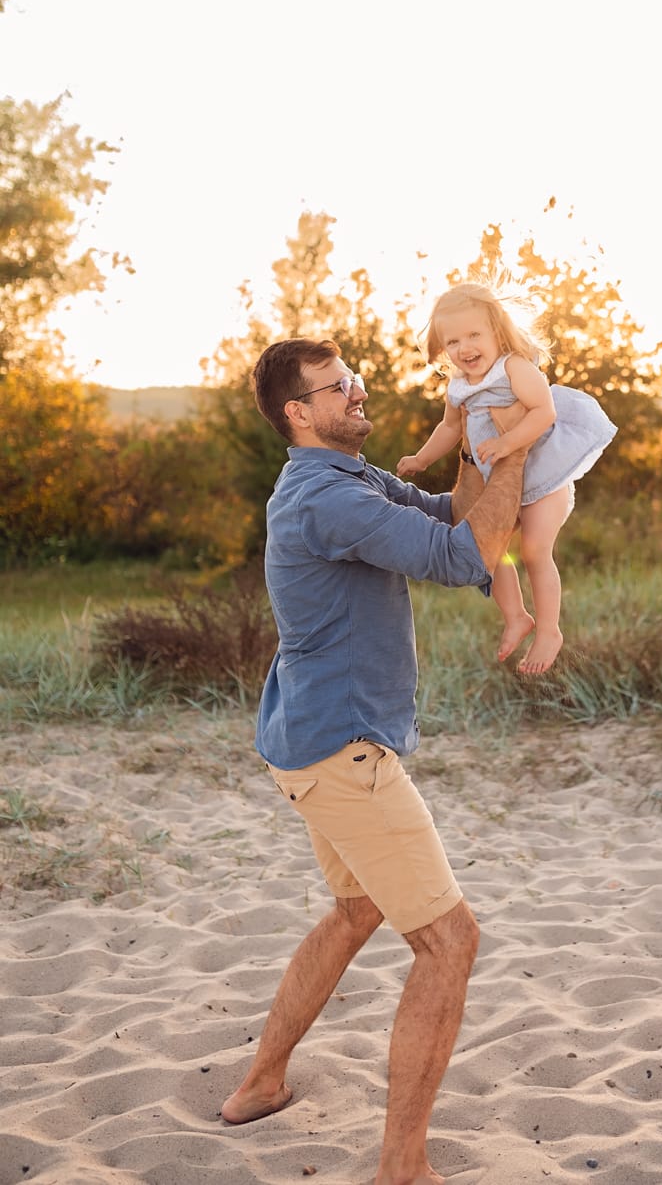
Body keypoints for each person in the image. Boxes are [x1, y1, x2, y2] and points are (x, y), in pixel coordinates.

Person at [220, 337, 529, 1185]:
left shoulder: (346, 479)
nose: (357, 393)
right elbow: (469, 557)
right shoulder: (327, 499)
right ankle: (403, 1166)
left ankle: (259, 1084)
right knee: (450, 942)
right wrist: (524, 447)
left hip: (309, 741)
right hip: (341, 752)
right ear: (298, 413)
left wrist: (476, 437)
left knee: (357, 913)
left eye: (352, 378)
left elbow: (447, 516)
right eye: (336, 387)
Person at [398, 276, 617, 674]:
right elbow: (449, 428)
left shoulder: (513, 367)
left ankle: (549, 629)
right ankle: (516, 616)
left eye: (474, 335)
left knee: (534, 550)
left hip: (542, 476)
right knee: (490, 550)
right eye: (452, 342)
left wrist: (507, 442)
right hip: (499, 483)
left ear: (497, 331)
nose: (464, 348)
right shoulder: (458, 386)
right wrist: (422, 459)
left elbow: (543, 411)